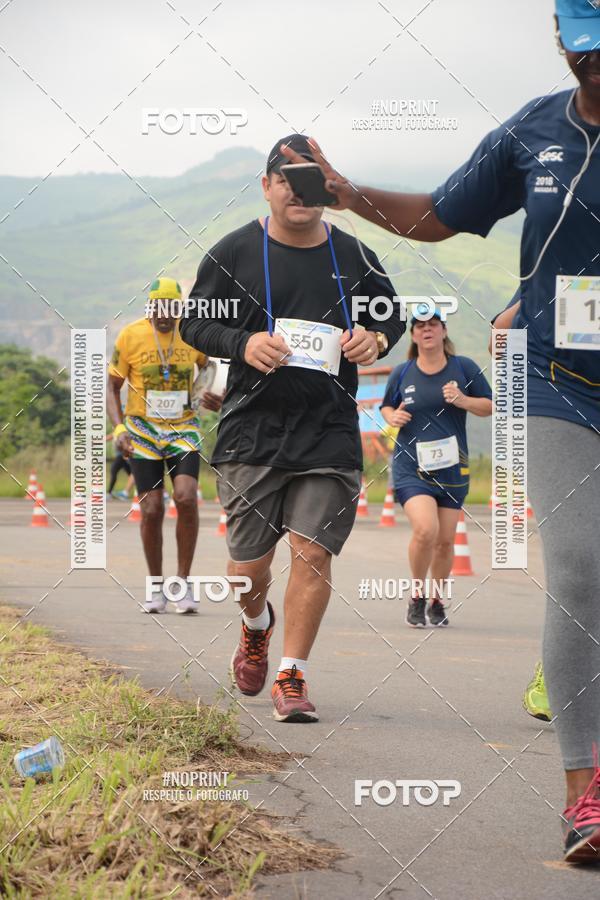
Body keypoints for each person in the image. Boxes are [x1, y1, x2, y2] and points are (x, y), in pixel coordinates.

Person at [283, 0, 600, 860]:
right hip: (558, 383)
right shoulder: (535, 132)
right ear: (562, 44)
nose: (596, 68)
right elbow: (437, 214)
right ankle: (586, 794)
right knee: (579, 568)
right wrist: (346, 193)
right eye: (586, 52)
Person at [179, 134, 404, 723]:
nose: (298, 193)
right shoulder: (234, 252)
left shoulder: (354, 256)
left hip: (329, 428)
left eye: (310, 181)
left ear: (327, 188)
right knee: (246, 568)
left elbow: (390, 315)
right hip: (252, 429)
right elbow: (194, 325)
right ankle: (256, 625)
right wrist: (243, 342)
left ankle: (292, 674)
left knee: (312, 553)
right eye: (286, 179)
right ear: (267, 185)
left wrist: (375, 338)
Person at [107, 277, 223, 614]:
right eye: (158, 308)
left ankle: (182, 584)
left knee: (186, 497)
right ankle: (156, 587)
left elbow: (210, 368)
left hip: (182, 428)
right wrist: (119, 428)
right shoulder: (130, 335)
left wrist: (208, 394)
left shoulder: (191, 333)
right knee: (152, 508)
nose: (164, 315)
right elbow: (112, 386)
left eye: (171, 309)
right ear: (150, 307)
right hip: (142, 430)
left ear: (179, 308)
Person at [381, 308, 492, 628]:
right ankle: (417, 594)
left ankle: (437, 599)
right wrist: (392, 417)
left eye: (433, 324)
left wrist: (463, 400)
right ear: (413, 335)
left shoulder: (464, 367)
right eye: (420, 326)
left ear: (444, 331)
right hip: (411, 467)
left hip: (452, 470)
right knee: (425, 530)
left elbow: (489, 405)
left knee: (445, 541)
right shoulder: (402, 372)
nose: (427, 330)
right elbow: (387, 406)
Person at [490, 297, 552, 723]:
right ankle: (556, 670)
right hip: (570, 418)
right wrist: (536, 295)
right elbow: (500, 339)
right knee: (580, 563)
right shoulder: (562, 262)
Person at [106, 433, 134, 500]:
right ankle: (128, 493)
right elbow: (111, 436)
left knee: (114, 470)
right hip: (123, 454)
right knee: (132, 474)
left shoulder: (121, 429)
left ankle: (109, 493)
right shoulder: (117, 430)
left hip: (122, 454)